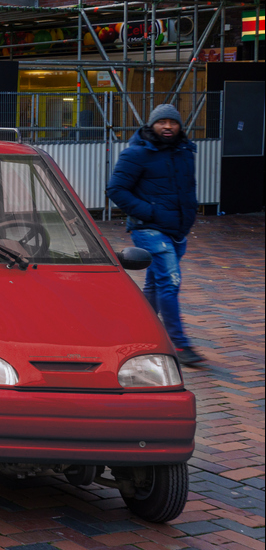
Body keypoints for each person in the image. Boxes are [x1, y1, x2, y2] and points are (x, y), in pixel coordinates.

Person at [106, 103, 203, 367]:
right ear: (152, 125)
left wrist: (187, 218)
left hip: (177, 230)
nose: (168, 127)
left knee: (155, 285)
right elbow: (116, 189)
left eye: (173, 122)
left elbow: (187, 189)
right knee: (170, 284)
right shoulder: (137, 153)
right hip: (148, 229)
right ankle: (181, 345)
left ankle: (137, 333)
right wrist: (150, 212)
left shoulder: (185, 151)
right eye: (162, 123)